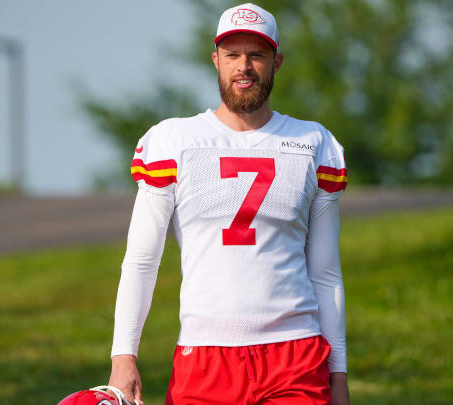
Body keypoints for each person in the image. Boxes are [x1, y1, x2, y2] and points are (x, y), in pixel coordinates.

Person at [108, 3, 350, 404]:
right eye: (233, 54)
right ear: (215, 60)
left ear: (277, 62)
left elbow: (326, 273)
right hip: (204, 355)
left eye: (257, 55)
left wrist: (338, 375)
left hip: (295, 354)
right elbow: (141, 261)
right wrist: (123, 357)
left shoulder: (314, 144)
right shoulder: (174, 140)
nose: (245, 66)